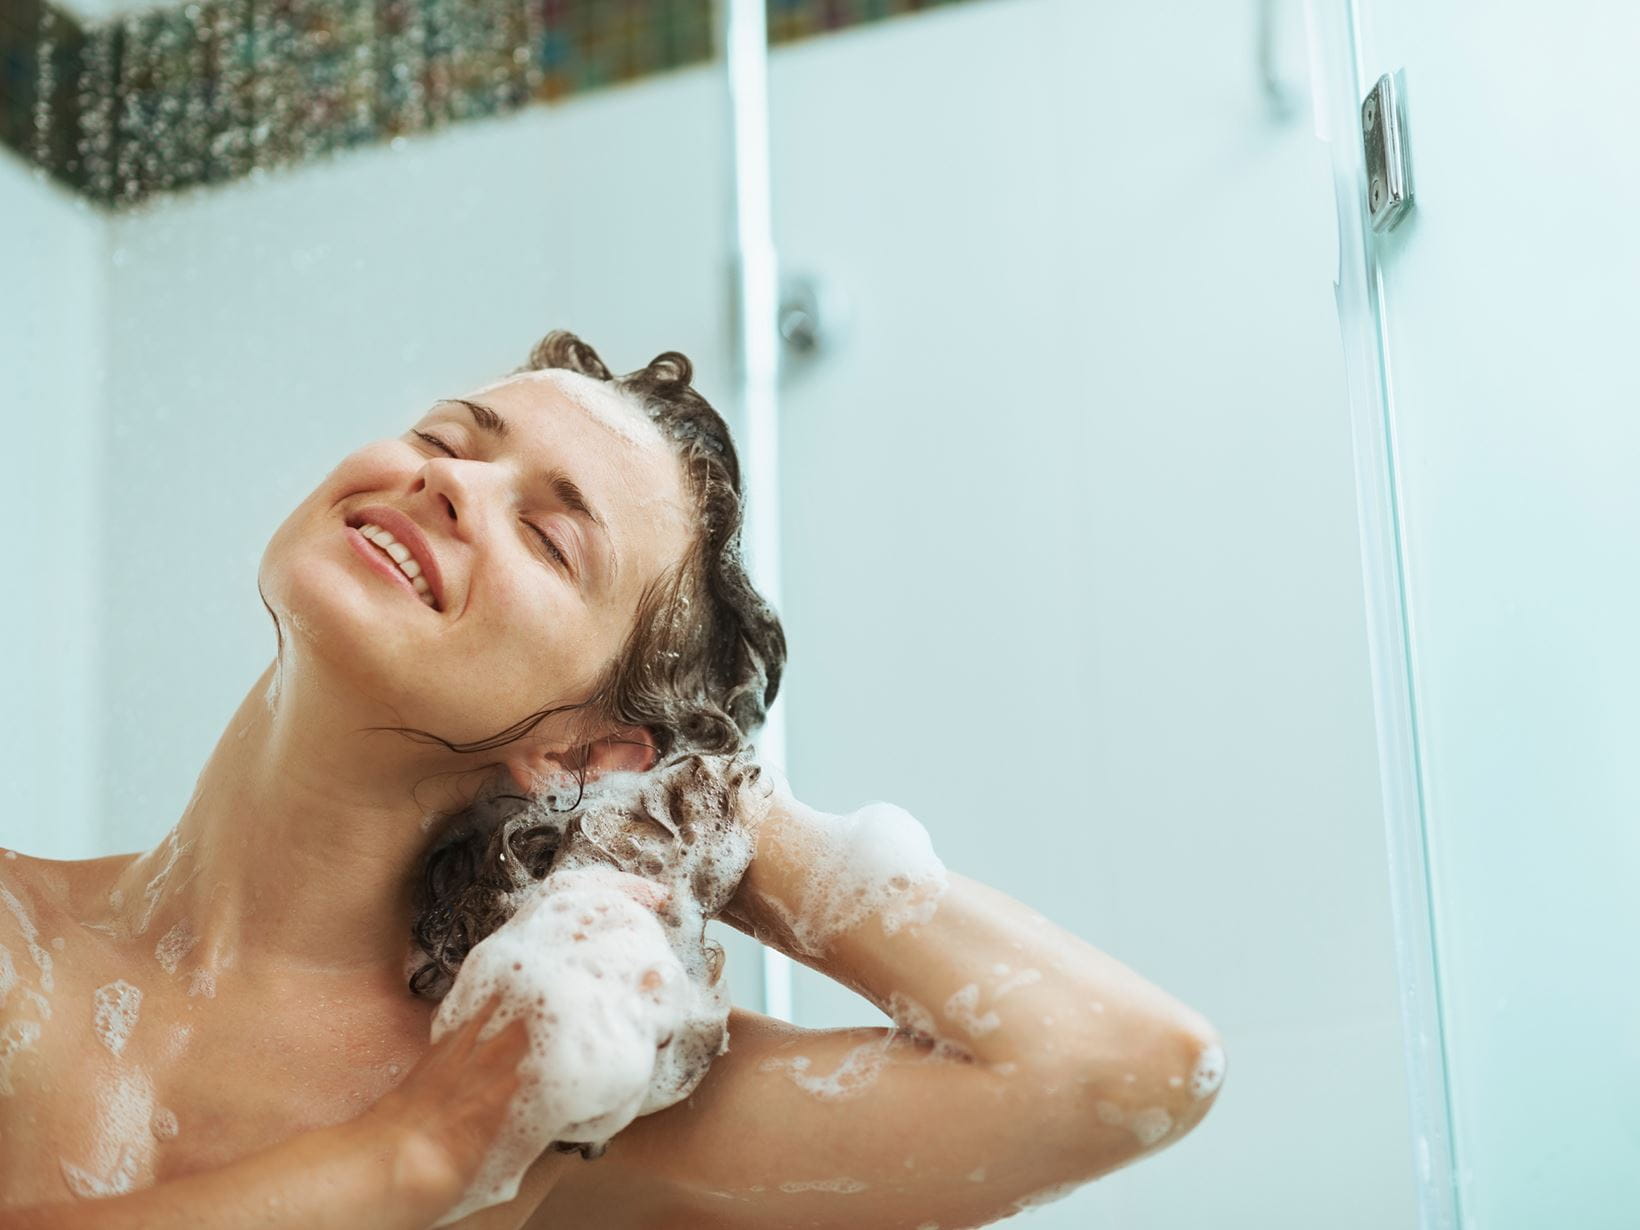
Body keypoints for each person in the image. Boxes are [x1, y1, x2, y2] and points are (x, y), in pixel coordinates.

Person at [0, 331, 1224, 1229]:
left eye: (546, 534)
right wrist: (416, 1157)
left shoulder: (551, 1092)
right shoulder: (20, 931)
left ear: (587, 748)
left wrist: (718, 813)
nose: (447, 482)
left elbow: (1121, 1067)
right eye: (443, 437)